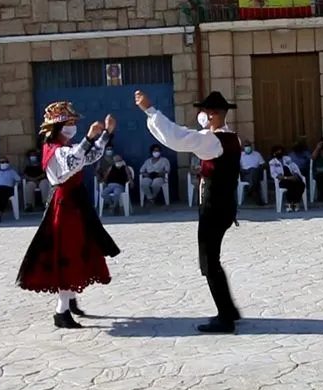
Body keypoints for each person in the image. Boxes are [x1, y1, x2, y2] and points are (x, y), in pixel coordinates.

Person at [138, 90, 242, 334]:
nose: (201, 116)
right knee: (212, 258)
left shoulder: (214, 140)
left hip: (214, 208)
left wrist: (150, 110)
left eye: (204, 112)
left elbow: (179, 138)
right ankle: (229, 309)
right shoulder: (231, 138)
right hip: (225, 206)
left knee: (209, 261)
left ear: (213, 114)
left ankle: (225, 317)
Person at [16, 102, 120, 329]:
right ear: (58, 127)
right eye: (70, 123)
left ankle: (70, 300)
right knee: (67, 253)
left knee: (77, 250)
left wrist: (105, 134)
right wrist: (90, 137)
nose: (73, 127)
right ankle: (61, 311)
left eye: (74, 123)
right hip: (65, 205)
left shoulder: (65, 147)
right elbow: (72, 162)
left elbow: (87, 158)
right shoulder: (54, 150)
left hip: (75, 203)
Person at [269, 145, 306, 212]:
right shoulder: (272, 162)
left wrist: (295, 174)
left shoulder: (287, 159)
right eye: (277, 151)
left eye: (280, 151)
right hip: (283, 180)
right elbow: (274, 174)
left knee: (301, 184)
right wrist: (287, 178)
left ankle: (296, 202)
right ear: (274, 153)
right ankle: (290, 203)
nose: (279, 153)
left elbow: (293, 167)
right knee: (291, 185)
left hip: (292, 177)